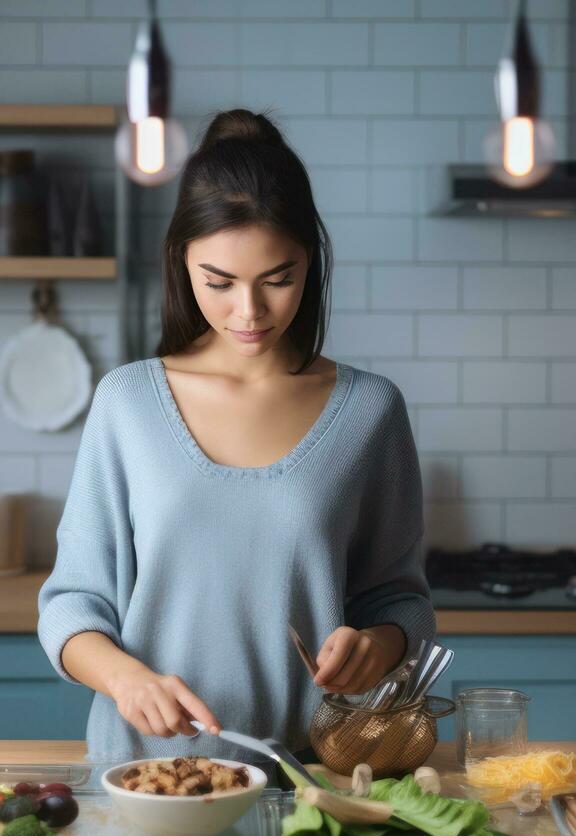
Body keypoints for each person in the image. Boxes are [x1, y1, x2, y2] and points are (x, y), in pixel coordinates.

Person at [37, 107, 435, 767]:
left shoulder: (369, 409)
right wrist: (122, 678)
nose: (248, 312)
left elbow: (401, 600)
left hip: (313, 782)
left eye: (277, 279)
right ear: (180, 262)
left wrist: (380, 644)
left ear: (311, 262)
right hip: (144, 776)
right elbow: (72, 602)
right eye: (217, 283)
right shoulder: (128, 402)